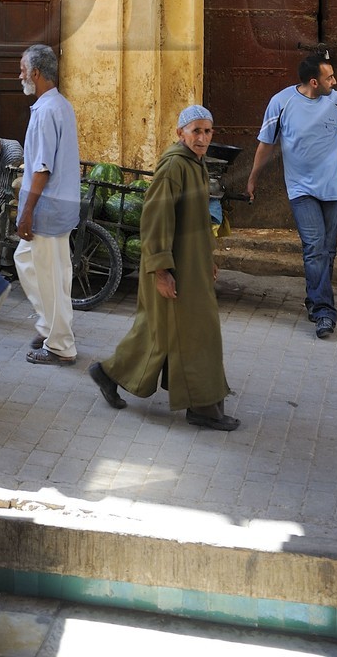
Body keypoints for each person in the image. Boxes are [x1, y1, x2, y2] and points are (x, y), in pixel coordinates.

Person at [88, 106, 239, 431]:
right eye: (196, 131)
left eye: (207, 131)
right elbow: (155, 220)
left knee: (159, 334)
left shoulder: (195, 165)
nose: (202, 138)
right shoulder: (173, 167)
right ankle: (203, 408)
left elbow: (198, 223)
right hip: (173, 269)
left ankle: (108, 373)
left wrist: (208, 260)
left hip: (191, 267)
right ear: (180, 133)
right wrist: (160, 271)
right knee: (199, 333)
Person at [245, 53, 337, 340]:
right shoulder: (282, 102)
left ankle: (315, 300)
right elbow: (266, 144)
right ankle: (325, 312)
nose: (335, 81)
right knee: (314, 247)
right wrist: (252, 178)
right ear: (314, 82)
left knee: (328, 249)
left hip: (334, 187)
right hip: (301, 189)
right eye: (329, 78)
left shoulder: (336, 100)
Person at [15, 44, 81, 366]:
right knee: (29, 261)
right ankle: (48, 325)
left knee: (52, 277)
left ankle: (60, 345)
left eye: (23, 70)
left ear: (37, 74)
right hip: (61, 204)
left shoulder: (45, 111)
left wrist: (26, 211)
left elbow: (42, 168)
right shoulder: (61, 105)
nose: (20, 76)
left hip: (49, 207)